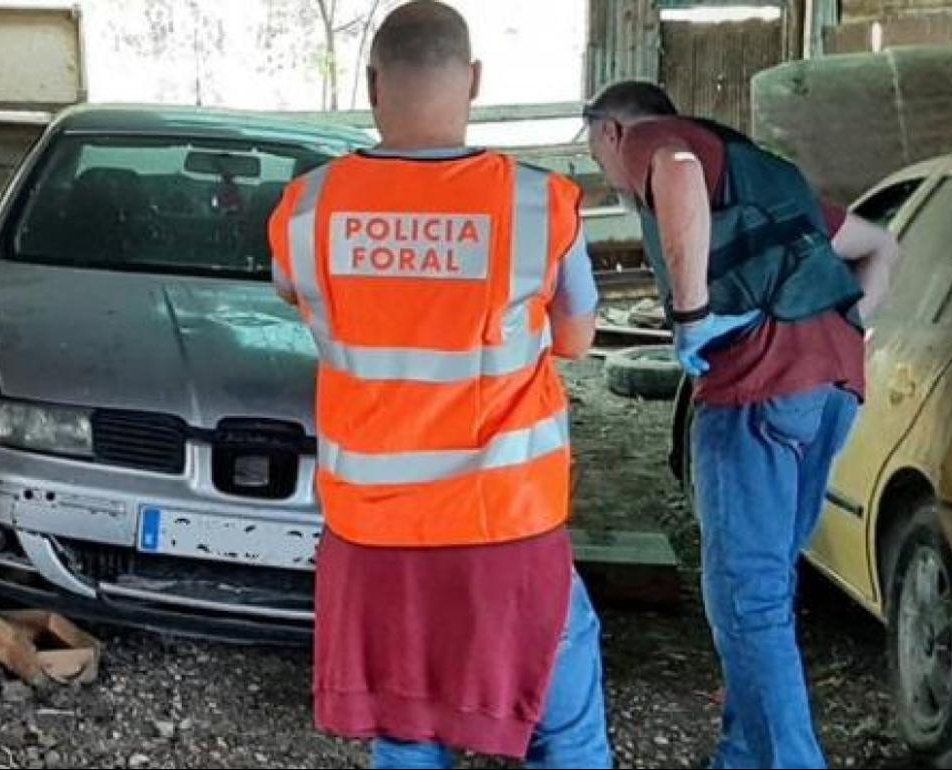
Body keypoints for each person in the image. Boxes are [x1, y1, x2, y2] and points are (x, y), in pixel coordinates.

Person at [268, 2, 612, 768]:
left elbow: (298, 297)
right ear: (476, 80)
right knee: (567, 732)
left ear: (371, 82)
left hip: (375, 537)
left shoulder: (309, 208)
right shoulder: (536, 203)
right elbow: (578, 341)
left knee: (408, 734)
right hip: (505, 534)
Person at [584, 80, 900, 769]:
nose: (610, 170)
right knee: (768, 587)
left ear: (609, 130)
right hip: (835, 388)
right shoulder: (766, 177)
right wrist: (846, 326)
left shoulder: (652, 141)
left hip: (756, 391)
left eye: (595, 148)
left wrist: (692, 315)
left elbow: (674, 171)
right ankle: (743, 753)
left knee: (745, 600)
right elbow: (882, 247)